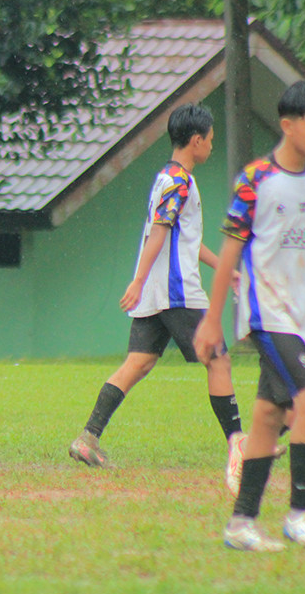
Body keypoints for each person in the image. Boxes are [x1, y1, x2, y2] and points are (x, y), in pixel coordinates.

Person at [195, 78, 305, 552]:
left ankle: (241, 523)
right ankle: (301, 513)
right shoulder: (256, 181)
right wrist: (213, 321)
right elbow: (229, 256)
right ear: (287, 124)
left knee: (270, 416)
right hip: (266, 316)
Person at [68, 103, 245, 493]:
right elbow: (160, 232)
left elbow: (185, 238)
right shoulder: (179, 181)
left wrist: (223, 268)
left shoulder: (168, 177)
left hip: (160, 289)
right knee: (219, 360)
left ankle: (88, 438)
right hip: (176, 291)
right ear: (196, 141)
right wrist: (138, 279)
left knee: (140, 362)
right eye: (211, 141)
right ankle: (239, 446)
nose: (212, 147)